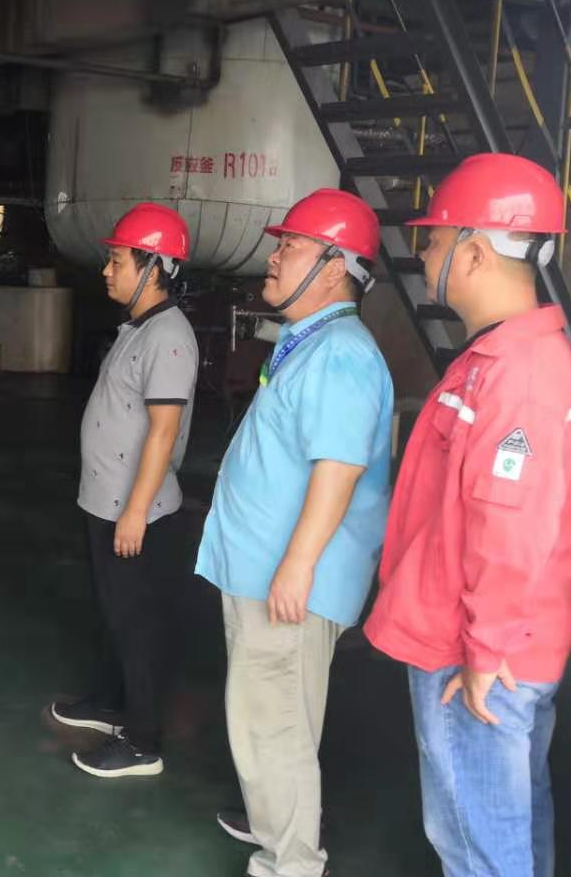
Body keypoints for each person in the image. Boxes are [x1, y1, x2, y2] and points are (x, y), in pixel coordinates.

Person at [364, 152, 571, 877]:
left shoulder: (517, 377)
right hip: (490, 639)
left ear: (474, 252)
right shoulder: (502, 358)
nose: (424, 256)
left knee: (476, 846)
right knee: (510, 825)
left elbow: (511, 529)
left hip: (478, 656)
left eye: (433, 241)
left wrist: (485, 651)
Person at [194, 188, 394, 877]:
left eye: (291, 246)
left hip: (287, 580)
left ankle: (292, 863)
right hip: (266, 569)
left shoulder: (339, 354)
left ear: (334, 268)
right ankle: (280, 829)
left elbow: (339, 466)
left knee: (274, 727)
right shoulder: (310, 341)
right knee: (271, 719)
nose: (274, 258)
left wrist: (298, 564)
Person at [50, 203, 199, 779]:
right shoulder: (139, 327)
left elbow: (163, 431)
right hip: (107, 500)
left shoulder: (170, 336)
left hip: (134, 510)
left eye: (117, 261)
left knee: (137, 624)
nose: (106, 271)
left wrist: (135, 512)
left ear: (153, 267)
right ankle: (113, 706)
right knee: (114, 613)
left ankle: (142, 742)